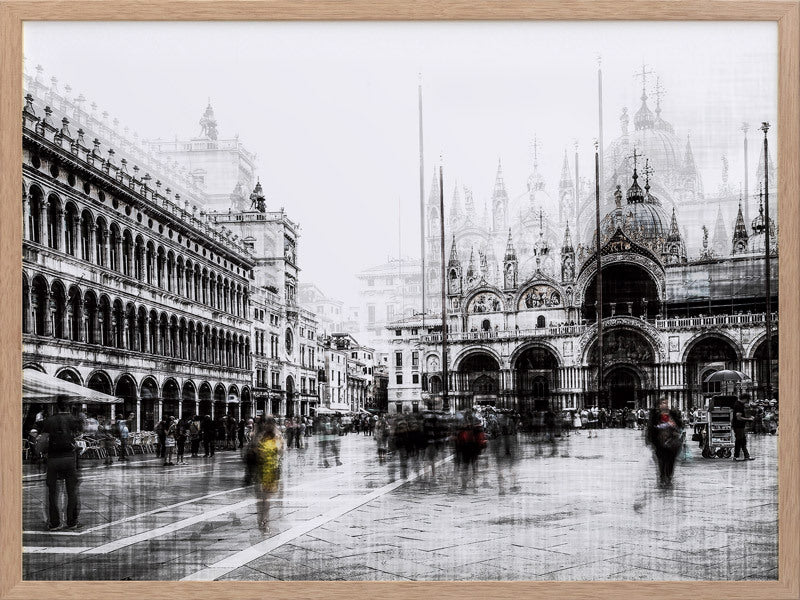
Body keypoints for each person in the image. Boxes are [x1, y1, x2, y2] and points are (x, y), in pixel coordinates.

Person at [41, 395, 82, 530]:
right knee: (72, 492)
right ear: (68, 405)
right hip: (69, 459)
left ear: (56, 406)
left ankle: (54, 522)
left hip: (52, 459)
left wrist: (42, 454)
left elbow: (42, 441)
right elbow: (79, 437)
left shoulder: (48, 421)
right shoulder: (74, 420)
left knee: (52, 493)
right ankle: (71, 522)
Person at [252, 417, 284, 533]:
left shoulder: (272, 436)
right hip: (262, 470)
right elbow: (280, 452)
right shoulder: (261, 436)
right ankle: (263, 521)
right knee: (263, 498)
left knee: (265, 498)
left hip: (270, 470)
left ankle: (264, 520)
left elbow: (281, 452)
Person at [646, 398, 684, 487]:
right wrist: (649, 440)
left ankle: (669, 477)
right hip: (659, 442)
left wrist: (674, 424)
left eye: (667, 403)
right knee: (661, 461)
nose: (666, 405)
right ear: (659, 405)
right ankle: (663, 477)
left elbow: (680, 425)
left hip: (672, 443)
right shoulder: (655, 415)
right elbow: (650, 428)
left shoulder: (673, 414)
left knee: (671, 461)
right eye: (663, 403)